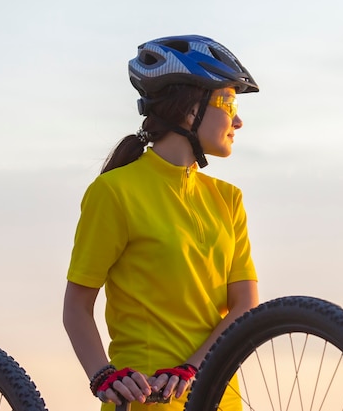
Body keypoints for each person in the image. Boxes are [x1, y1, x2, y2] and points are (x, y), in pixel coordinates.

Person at [62, 35, 260, 411]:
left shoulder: (229, 199)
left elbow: (244, 306)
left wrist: (193, 369)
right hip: (147, 399)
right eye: (228, 102)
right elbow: (76, 306)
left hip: (217, 397)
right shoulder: (115, 192)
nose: (238, 119)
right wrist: (103, 375)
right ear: (190, 110)